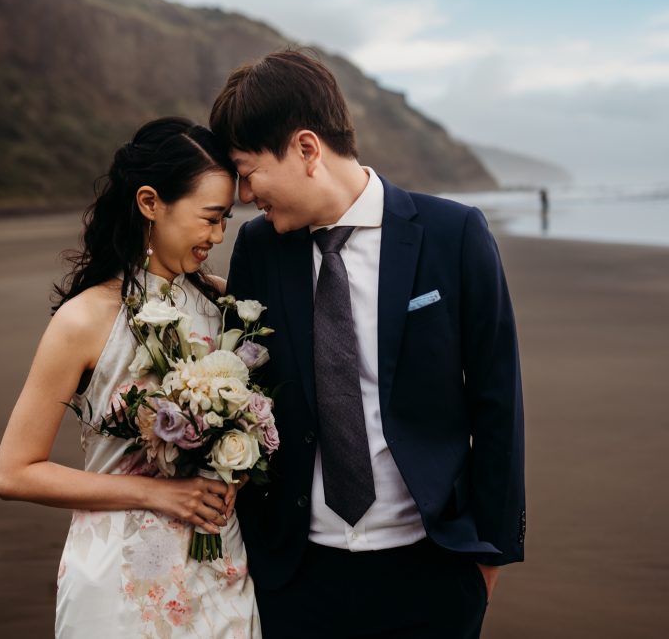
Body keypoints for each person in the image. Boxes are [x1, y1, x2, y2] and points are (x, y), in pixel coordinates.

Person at [211, 50, 525, 638]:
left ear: (307, 150)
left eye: (248, 171)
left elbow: (498, 401)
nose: (246, 195)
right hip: (297, 577)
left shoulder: (454, 235)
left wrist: (488, 557)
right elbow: (248, 389)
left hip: (431, 568)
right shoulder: (259, 249)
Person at [0, 117, 261, 638]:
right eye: (208, 218)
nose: (218, 235)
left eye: (226, 219)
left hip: (220, 569)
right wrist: (158, 494)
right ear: (149, 202)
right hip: (121, 577)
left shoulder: (226, 305)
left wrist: (242, 462)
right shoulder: (85, 319)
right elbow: (14, 472)